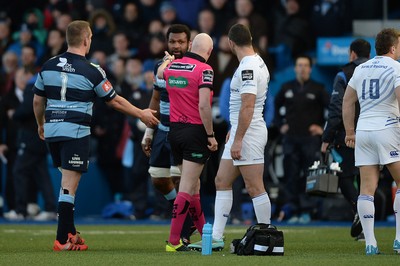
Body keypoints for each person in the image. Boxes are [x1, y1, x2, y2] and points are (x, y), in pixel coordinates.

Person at [32, 20, 159, 251]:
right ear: (86, 40)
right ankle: (62, 240)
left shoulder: (47, 65)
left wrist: (41, 125)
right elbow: (115, 101)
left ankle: (69, 233)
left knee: (66, 183)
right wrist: (141, 113)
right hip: (75, 131)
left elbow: (38, 100)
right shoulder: (91, 70)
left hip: (52, 130)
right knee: (69, 185)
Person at [189, 23, 271, 251]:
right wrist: (235, 130)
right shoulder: (256, 61)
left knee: (254, 186)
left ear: (230, 43)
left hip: (249, 132)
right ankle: (216, 237)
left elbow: (248, 106)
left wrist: (238, 138)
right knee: (221, 181)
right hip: (241, 129)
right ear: (251, 38)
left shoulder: (249, 67)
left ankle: (266, 235)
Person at [156, 32, 217, 252]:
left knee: (194, 188)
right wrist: (210, 135)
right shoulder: (205, 70)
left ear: (191, 46)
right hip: (195, 132)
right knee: (187, 186)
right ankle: (173, 241)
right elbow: (204, 106)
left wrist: (167, 61)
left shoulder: (173, 66)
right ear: (208, 52)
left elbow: (160, 73)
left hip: (174, 132)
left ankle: (205, 236)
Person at [342, 28, 400, 255]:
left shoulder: (361, 69)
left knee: (366, 189)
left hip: (363, 130)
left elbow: (347, 101)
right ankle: (398, 240)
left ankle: (370, 243)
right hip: (387, 128)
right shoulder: (396, 68)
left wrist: (349, 131)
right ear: (393, 48)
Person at [141, 24, 195, 242]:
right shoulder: (158, 67)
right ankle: (186, 216)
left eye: (181, 42)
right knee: (158, 178)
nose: (176, 46)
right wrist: (148, 132)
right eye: (172, 41)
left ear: (189, 44)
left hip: (182, 130)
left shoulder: (194, 67)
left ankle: (182, 228)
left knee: (179, 177)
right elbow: (155, 98)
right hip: (162, 129)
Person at [321, 38, 371, 240]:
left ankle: (358, 211)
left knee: (345, 177)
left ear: (351, 54)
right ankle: (366, 229)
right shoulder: (379, 70)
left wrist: (327, 137)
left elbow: (336, 108)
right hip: (373, 132)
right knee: (368, 179)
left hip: (348, 135)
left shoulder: (344, 74)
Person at [274, 55, 330, 223]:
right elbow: (274, 108)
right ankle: (291, 208)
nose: (302, 68)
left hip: (310, 140)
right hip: (290, 139)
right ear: (295, 68)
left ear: (310, 69)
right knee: (290, 175)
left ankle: (307, 210)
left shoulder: (318, 88)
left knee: (310, 175)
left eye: (306, 65)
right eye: (299, 65)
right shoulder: (285, 88)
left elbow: (333, 110)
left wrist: (322, 129)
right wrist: (280, 125)